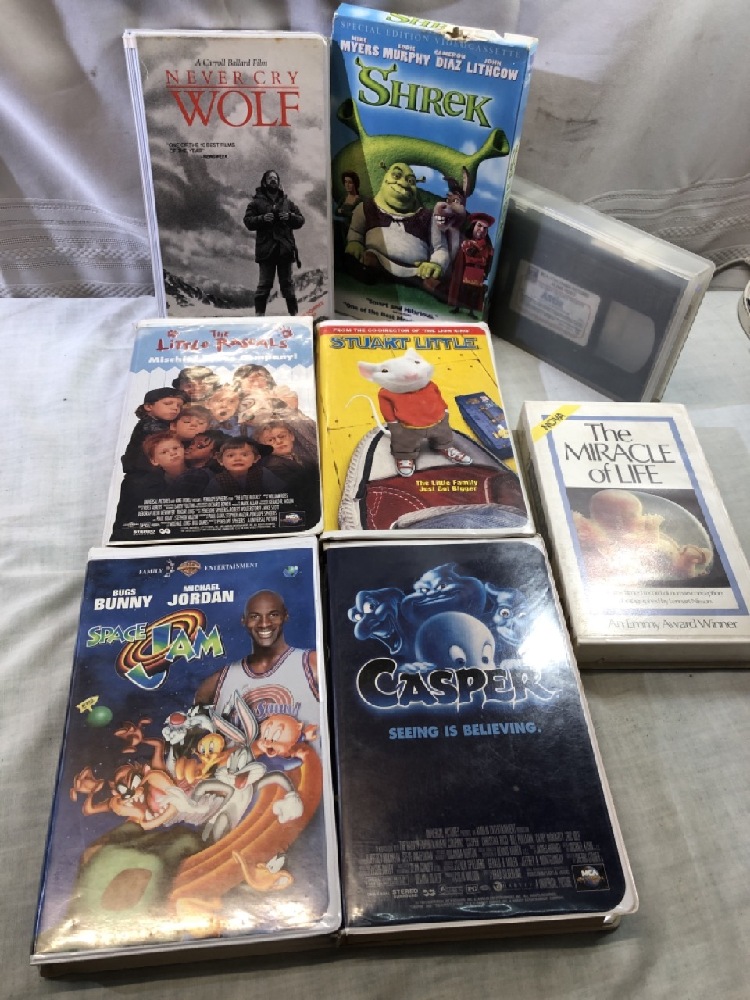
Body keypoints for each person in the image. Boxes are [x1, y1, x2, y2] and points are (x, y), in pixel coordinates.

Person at [194, 590, 319, 727]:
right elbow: (194, 734)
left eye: (273, 615)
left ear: (285, 616)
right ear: (244, 620)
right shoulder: (216, 683)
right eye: (254, 616)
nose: (264, 623)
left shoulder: (312, 664)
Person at [243, 170, 304, 316]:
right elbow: (248, 221)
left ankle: (295, 317)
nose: (273, 180)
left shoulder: (288, 203)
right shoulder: (255, 203)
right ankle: (259, 317)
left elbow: (301, 220)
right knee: (264, 285)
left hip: (285, 250)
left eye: (275, 178)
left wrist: (289, 217)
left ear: (278, 182)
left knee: (288, 286)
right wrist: (262, 219)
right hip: (266, 250)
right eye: (270, 178)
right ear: (264, 182)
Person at [121, 386, 188, 473]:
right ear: (149, 406)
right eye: (168, 403)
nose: (175, 408)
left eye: (179, 406)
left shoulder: (162, 423)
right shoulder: (150, 427)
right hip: (144, 474)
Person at [448, 211, 495, 319]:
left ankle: (471, 311)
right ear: (473, 226)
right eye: (479, 226)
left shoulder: (488, 249)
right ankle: (457, 307)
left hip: (478, 273)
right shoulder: (465, 243)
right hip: (466, 272)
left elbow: (489, 263)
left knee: (474, 293)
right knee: (462, 290)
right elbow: (462, 260)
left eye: (485, 228)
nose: (482, 230)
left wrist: (486, 273)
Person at [205, 437, 286, 497]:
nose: (238, 459)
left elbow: (282, 494)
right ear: (220, 460)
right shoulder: (218, 481)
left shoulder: (263, 473)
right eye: (230, 455)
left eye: (244, 454)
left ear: (256, 458)